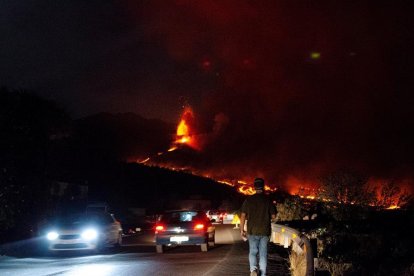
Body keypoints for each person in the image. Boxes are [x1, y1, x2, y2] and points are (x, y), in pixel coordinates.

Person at [240, 178, 277, 276]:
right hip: (265, 231)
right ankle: (263, 274)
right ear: (263, 187)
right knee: (263, 254)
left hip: (252, 231)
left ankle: (253, 270)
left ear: (254, 187)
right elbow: (274, 217)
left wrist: (241, 231)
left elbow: (243, 215)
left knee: (252, 252)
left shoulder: (248, 200)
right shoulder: (268, 200)